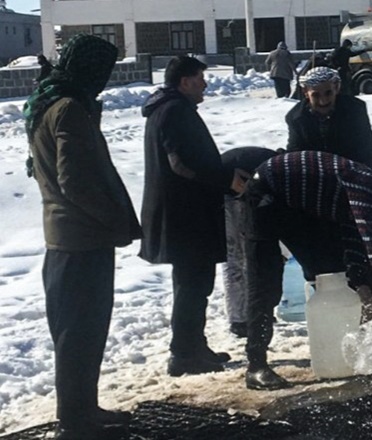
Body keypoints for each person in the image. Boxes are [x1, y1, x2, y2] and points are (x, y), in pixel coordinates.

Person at [24, 34, 141, 439]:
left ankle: (82, 410)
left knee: (77, 331)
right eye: (103, 71)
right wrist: (113, 220)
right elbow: (75, 181)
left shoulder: (50, 103)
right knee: (81, 332)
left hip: (66, 238)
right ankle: (77, 421)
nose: (106, 81)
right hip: (81, 240)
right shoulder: (70, 109)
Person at [239, 151, 372, 390]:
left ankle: (334, 352)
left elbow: (355, 245)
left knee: (327, 271)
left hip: (295, 206)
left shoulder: (356, 197)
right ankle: (256, 366)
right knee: (265, 284)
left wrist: (364, 291)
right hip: (264, 196)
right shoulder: (364, 183)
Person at [140, 55, 249, 377]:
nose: (205, 84)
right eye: (200, 78)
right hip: (184, 216)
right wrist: (226, 179)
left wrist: (225, 171)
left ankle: (193, 345)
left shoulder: (170, 108)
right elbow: (183, 163)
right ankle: (184, 353)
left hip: (184, 214)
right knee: (191, 285)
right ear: (185, 81)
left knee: (195, 284)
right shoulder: (174, 111)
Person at [220, 147, 283, 338]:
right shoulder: (276, 169)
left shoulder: (273, 163)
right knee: (236, 259)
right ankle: (239, 319)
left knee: (247, 258)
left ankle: (253, 313)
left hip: (236, 193)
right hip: (228, 196)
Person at [285, 66, 372, 168]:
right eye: (316, 95)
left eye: (328, 93)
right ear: (306, 92)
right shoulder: (296, 118)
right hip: (314, 173)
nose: (323, 101)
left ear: (336, 88)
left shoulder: (354, 110)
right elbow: (296, 153)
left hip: (350, 171)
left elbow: (367, 150)